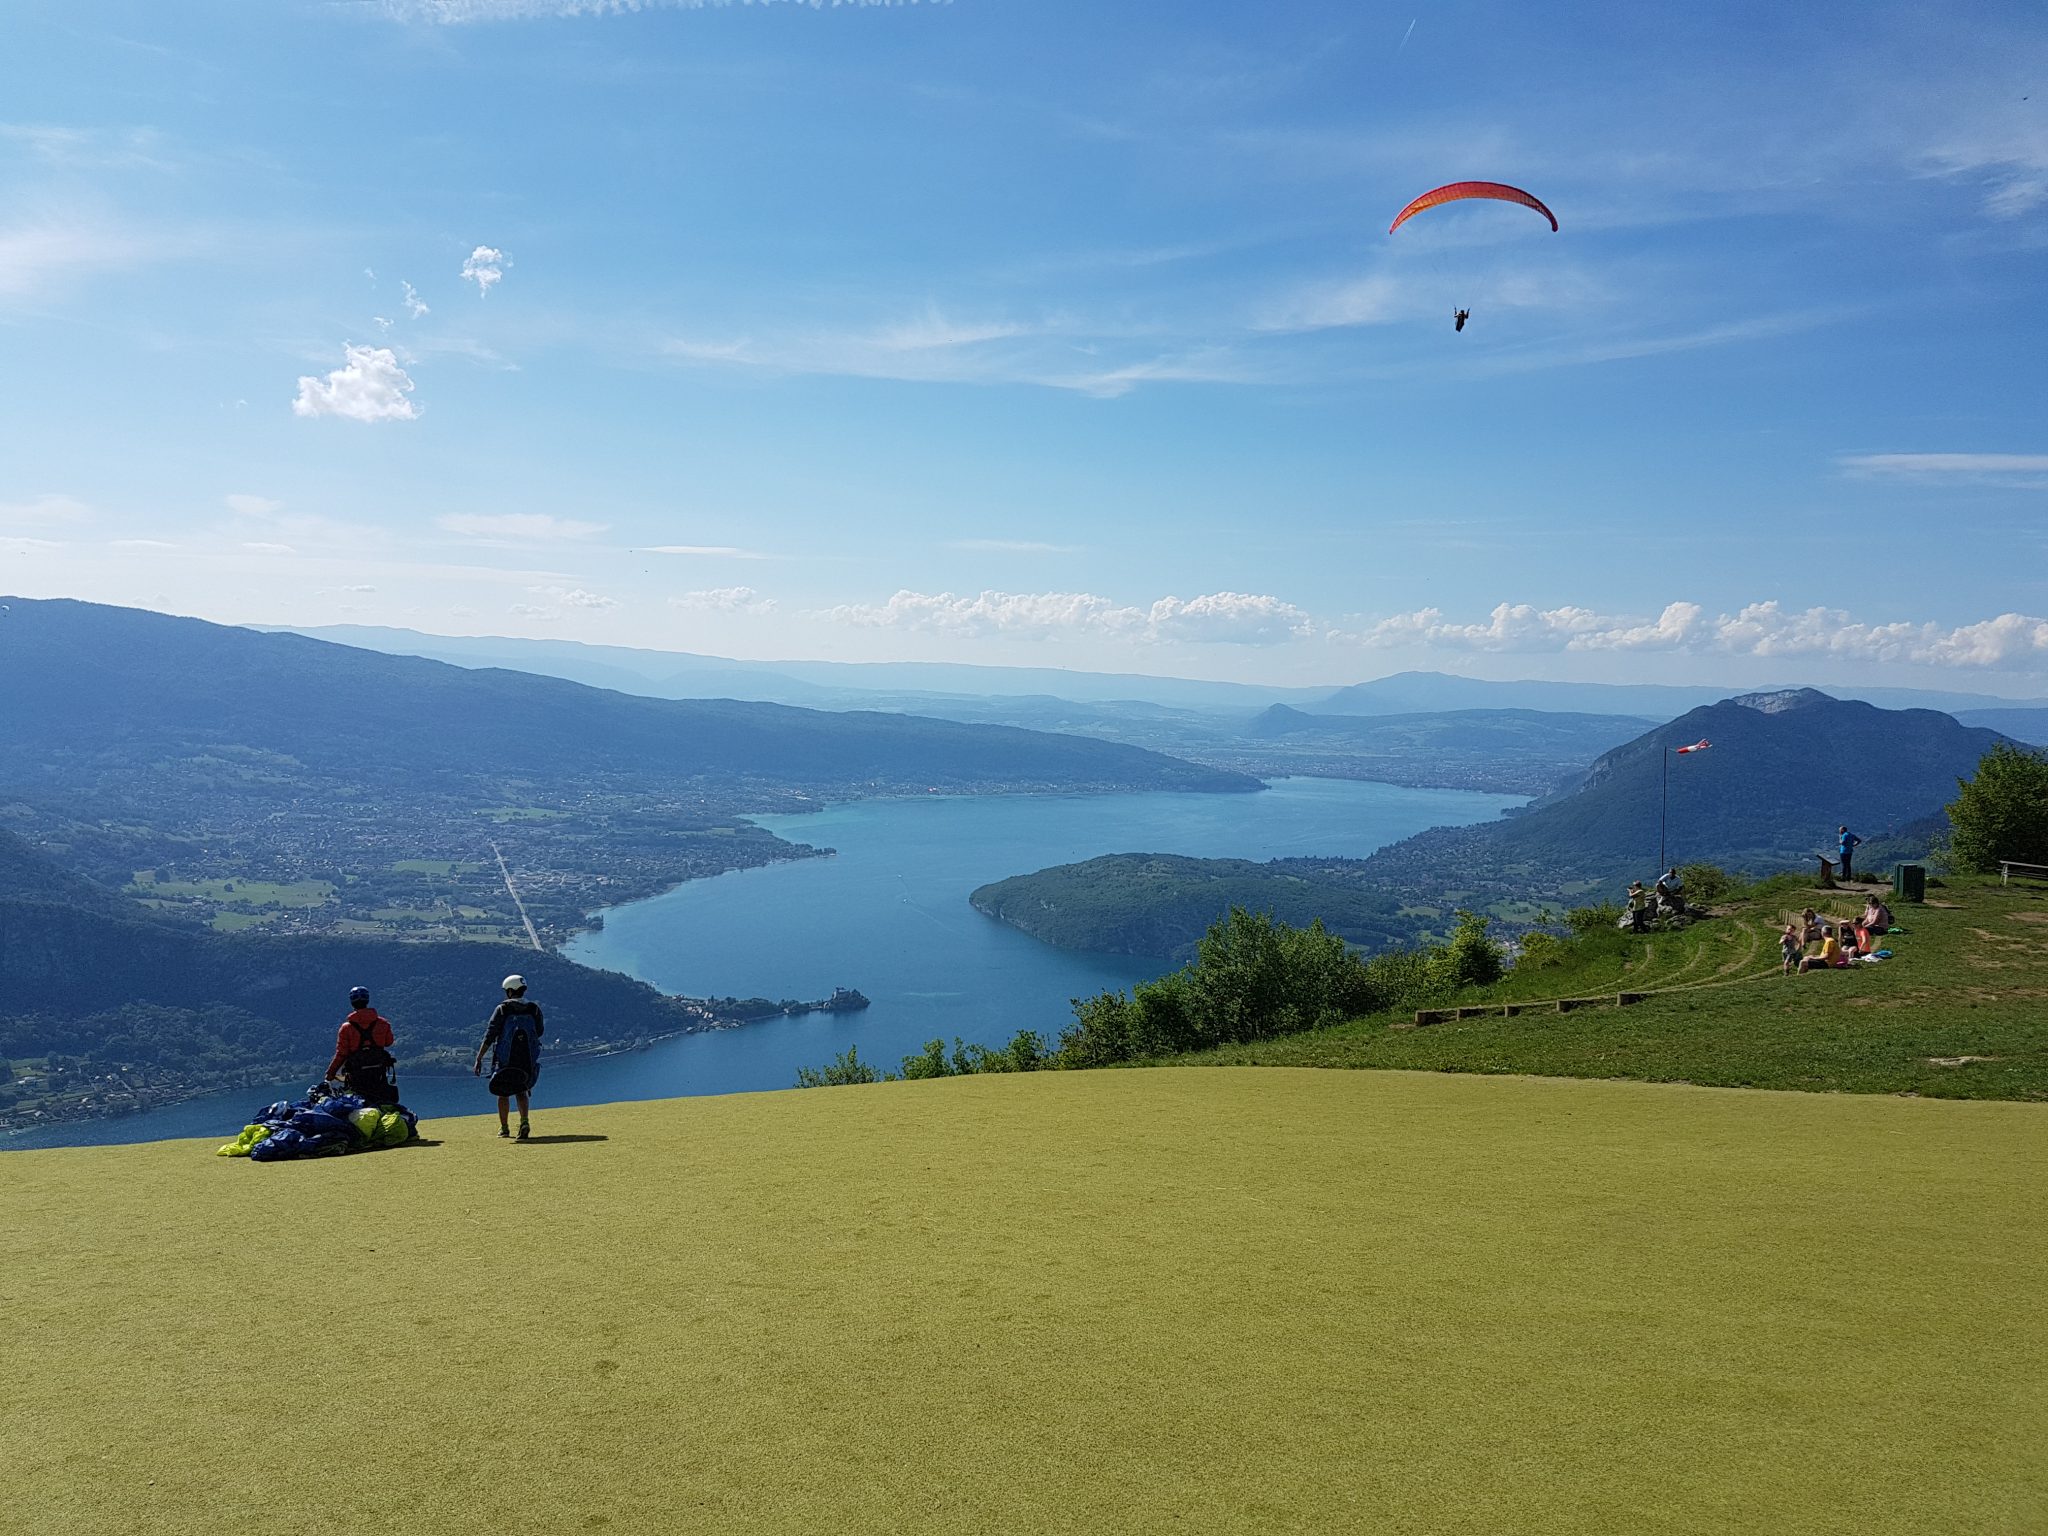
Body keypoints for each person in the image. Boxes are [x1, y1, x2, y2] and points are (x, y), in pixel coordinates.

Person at [474, 973, 544, 1141]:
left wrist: (479, 1058)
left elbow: (490, 1035)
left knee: (503, 1092)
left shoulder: (502, 1009)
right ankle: (524, 1122)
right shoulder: (534, 1009)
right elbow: (539, 1032)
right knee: (521, 1090)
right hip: (526, 1059)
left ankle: (504, 1128)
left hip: (505, 1059)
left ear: (509, 991)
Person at [327, 986, 398, 1105]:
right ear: (367, 1001)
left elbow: (342, 1053)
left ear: (352, 1003)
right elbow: (388, 1042)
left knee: (359, 1102)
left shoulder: (346, 1028)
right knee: (381, 1100)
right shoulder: (383, 1023)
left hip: (357, 1074)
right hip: (378, 1072)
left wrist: (331, 1073)